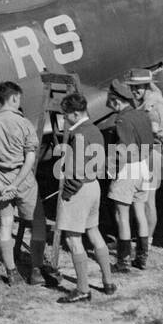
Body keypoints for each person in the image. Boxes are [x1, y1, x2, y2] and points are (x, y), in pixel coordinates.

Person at [49, 92, 116, 303]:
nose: (64, 119)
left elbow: (76, 172)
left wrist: (66, 193)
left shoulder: (78, 134)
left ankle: (83, 289)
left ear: (76, 114)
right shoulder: (95, 130)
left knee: (72, 238)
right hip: (94, 186)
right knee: (94, 232)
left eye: (66, 115)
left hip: (78, 189)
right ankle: (108, 282)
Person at [0, 81, 43, 287]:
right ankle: (36, 271)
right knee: (37, 225)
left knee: (6, 224)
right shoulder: (24, 124)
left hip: (0, 180)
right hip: (23, 179)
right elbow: (30, 157)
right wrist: (16, 183)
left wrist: (1, 185)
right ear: (14, 98)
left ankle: (11, 272)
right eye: (19, 98)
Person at [105, 79, 156, 272]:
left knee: (122, 215)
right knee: (140, 213)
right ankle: (141, 259)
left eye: (110, 101)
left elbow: (124, 149)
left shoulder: (122, 120)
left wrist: (111, 167)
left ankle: (123, 262)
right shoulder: (142, 115)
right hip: (144, 167)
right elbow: (149, 143)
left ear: (116, 100)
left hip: (129, 169)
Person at [126, 67, 163, 243]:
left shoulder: (150, 105)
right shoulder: (153, 96)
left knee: (148, 200)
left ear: (147, 85)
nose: (134, 91)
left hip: (150, 153)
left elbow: (153, 129)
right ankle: (142, 239)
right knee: (142, 200)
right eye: (132, 87)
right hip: (148, 152)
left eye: (138, 87)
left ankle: (147, 242)